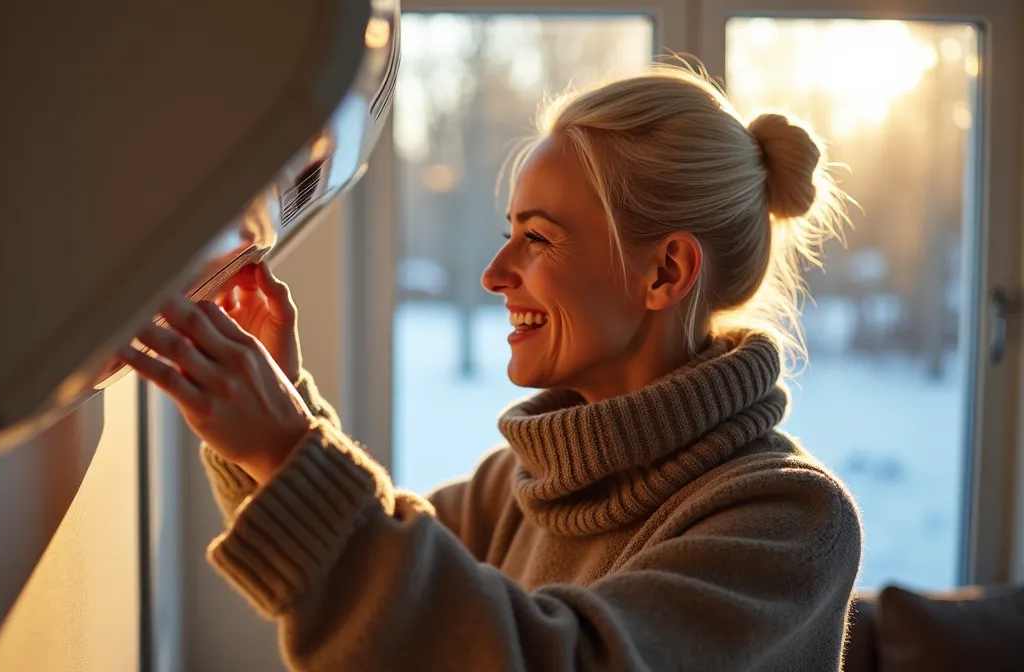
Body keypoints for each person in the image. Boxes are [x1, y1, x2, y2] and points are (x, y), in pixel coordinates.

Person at [120, 65, 863, 671]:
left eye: (537, 239)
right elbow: (394, 601)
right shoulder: (518, 485)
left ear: (666, 271)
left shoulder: (789, 522)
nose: (494, 274)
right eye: (510, 233)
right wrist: (285, 414)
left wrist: (289, 452)